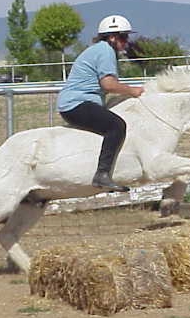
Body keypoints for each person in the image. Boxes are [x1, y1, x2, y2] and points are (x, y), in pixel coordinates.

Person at [57, 15, 144, 192]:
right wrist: (132, 91)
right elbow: (108, 84)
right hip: (77, 104)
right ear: (112, 37)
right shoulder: (105, 51)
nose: (126, 41)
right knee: (117, 126)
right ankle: (102, 175)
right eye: (123, 37)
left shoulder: (101, 49)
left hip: (77, 103)